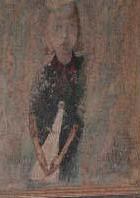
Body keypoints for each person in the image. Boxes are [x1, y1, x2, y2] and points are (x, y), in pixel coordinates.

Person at [28, 0, 85, 184]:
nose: (65, 35)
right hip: (47, 144)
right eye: (58, 28)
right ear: (48, 33)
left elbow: (78, 121)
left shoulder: (83, 70)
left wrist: (60, 157)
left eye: (71, 27)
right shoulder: (45, 72)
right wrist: (39, 152)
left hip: (71, 151)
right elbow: (33, 112)